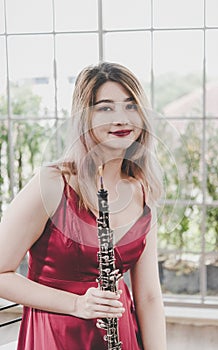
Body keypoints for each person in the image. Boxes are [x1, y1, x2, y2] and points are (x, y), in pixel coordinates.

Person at [0, 62, 167, 349]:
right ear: (84, 117)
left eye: (130, 106)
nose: (121, 119)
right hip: (56, 334)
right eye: (105, 108)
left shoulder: (141, 188)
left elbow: (149, 296)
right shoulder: (52, 183)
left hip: (120, 332)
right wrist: (77, 304)